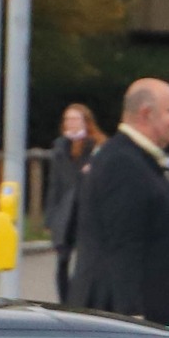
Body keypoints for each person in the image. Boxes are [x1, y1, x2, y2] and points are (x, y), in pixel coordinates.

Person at [72, 78, 169, 336]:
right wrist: (131, 320)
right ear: (146, 113)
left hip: (148, 330)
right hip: (135, 334)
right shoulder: (122, 163)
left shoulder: (136, 160)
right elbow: (123, 244)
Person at [46, 104, 104, 307]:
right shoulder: (60, 147)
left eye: (75, 119)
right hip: (64, 211)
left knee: (85, 261)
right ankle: (64, 302)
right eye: (67, 119)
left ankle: (82, 302)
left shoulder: (97, 146)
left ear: (85, 122)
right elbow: (54, 185)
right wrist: (50, 217)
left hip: (86, 210)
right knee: (62, 261)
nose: (70, 124)